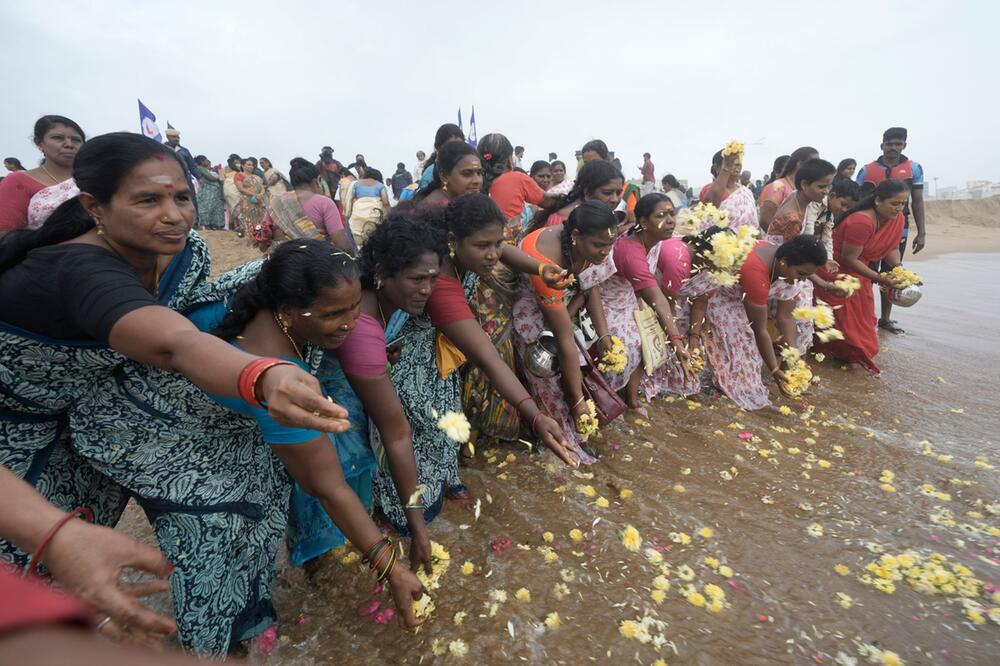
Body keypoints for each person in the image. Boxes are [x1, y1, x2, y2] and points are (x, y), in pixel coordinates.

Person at [0, 133, 351, 653]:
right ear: (95, 206)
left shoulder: (185, 252)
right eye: (148, 200)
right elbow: (173, 343)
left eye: (182, 197)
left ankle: (229, 623)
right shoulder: (78, 269)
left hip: (112, 399)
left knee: (243, 484)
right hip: (20, 431)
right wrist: (262, 375)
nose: (173, 215)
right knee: (40, 561)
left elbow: (188, 323)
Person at [514, 201, 622, 463]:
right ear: (575, 237)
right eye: (599, 246)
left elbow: (590, 287)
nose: (606, 252)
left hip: (563, 310)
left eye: (610, 244)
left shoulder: (594, 242)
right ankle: (564, 446)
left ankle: (576, 432)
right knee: (550, 382)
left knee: (579, 369)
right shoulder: (546, 260)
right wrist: (577, 403)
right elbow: (562, 338)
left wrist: (603, 335)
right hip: (531, 316)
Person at [814, 179, 911, 372]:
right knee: (843, 324)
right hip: (837, 272)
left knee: (864, 323)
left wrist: (900, 270)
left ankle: (851, 357)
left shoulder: (898, 219)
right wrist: (880, 278)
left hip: (862, 273)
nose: (898, 208)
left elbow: (891, 247)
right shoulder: (862, 221)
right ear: (877, 201)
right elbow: (850, 259)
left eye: (902, 204)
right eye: (894, 203)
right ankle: (847, 357)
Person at [605, 193, 688, 411]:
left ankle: (631, 400)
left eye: (672, 214)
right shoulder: (630, 250)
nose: (670, 220)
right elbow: (656, 296)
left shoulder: (656, 239)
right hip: (608, 301)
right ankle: (608, 401)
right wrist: (676, 340)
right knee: (630, 346)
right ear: (643, 222)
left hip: (631, 299)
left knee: (647, 339)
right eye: (662, 215)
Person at [856, 127, 926, 334]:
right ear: (882, 146)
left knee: (892, 272)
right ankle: (863, 316)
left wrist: (921, 232)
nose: (893, 148)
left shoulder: (914, 168)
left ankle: (885, 319)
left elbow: (918, 201)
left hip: (899, 228)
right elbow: (856, 200)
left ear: (904, 145)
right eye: (890, 144)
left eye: (898, 144)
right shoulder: (867, 170)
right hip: (870, 229)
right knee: (865, 272)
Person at [766, 158, 838, 352]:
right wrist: (823, 284)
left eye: (828, 186)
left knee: (785, 324)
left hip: (784, 266)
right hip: (782, 272)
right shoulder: (792, 218)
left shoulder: (798, 198)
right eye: (821, 186)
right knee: (798, 323)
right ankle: (790, 367)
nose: (826, 191)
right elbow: (795, 260)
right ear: (804, 184)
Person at [0, 115, 84, 232]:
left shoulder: (96, 178)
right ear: (40, 143)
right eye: (58, 138)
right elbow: (5, 236)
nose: (69, 144)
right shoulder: (18, 181)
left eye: (76, 140)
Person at [261, 158, 353, 253]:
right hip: (316, 264)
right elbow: (341, 244)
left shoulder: (276, 203)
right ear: (317, 181)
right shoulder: (324, 203)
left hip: (281, 264)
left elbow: (262, 243)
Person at [478, 133, 554, 242]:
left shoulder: (474, 181)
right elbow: (549, 202)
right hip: (511, 247)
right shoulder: (517, 178)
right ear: (509, 158)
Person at [526, 159, 624, 232]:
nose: (615, 199)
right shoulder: (561, 222)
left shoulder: (599, 215)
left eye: (619, 193)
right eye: (607, 193)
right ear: (587, 193)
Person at [758, 147, 818, 231]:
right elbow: (765, 221)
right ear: (799, 164)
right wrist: (784, 240)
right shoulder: (778, 187)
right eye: (813, 164)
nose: (816, 168)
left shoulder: (803, 189)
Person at [700, 147, 759, 231]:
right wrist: (726, 168)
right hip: (719, 241)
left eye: (739, 163)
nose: (737, 166)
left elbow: (755, 223)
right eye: (732, 163)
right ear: (717, 167)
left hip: (747, 241)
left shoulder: (746, 192)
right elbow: (711, 208)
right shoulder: (709, 189)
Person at [411, 140, 484, 208]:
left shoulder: (461, 202)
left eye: (479, 173)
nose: (477, 180)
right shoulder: (432, 210)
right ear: (444, 176)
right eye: (467, 173)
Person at [804, 178, 861, 260]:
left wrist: (829, 259)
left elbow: (827, 239)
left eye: (848, 207)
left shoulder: (830, 214)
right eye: (843, 204)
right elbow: (808, 228)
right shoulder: (817, 202)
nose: (844, 210)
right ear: (831, 196)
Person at [343, 167, 391, 246]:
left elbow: (348, 201)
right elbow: (386, 204)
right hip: (375, 217)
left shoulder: (354, 184)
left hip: (357, 218)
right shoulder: (380, 186)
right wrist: (391, 217)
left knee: (359, 242)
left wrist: (347, 215)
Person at [419, 124, 465, 188]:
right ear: (438, 148)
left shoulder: (469, 167)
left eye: (460, 145)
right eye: (451, 146)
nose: (456, 150)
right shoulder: (429, 174)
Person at [235, 156, 266, 241]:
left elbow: (262, 187)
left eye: (252, 165)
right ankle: (250, 239)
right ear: (243, 165)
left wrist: (260, 194)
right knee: (248, 219)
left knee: (259, 218)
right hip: (247, 201)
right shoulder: (239, 175)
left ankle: (259, 237)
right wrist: (255, 194)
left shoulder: (257, 177)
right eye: (248, 165)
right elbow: (240, 189)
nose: (251, 166)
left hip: (259, 201)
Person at [193, 155, 225, 230]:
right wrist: (218, 178)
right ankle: (207, 226)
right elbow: (211, 178)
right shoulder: (200, 169)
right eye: (206, 160)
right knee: (207, 209)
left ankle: (214, 225)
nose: (207, 161)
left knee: (215, 209)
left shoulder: (207, 170)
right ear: (202, 161)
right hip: (207, 193)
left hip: (214, 193)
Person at [221, 154, 243, 227]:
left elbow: (221, 180)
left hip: (227, 188)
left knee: (231, 207)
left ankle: (235, 225)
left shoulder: (223, 169)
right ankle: (240, 225)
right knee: (239, 206)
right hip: (237, 187)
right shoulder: (240, 167)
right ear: (236, 160)